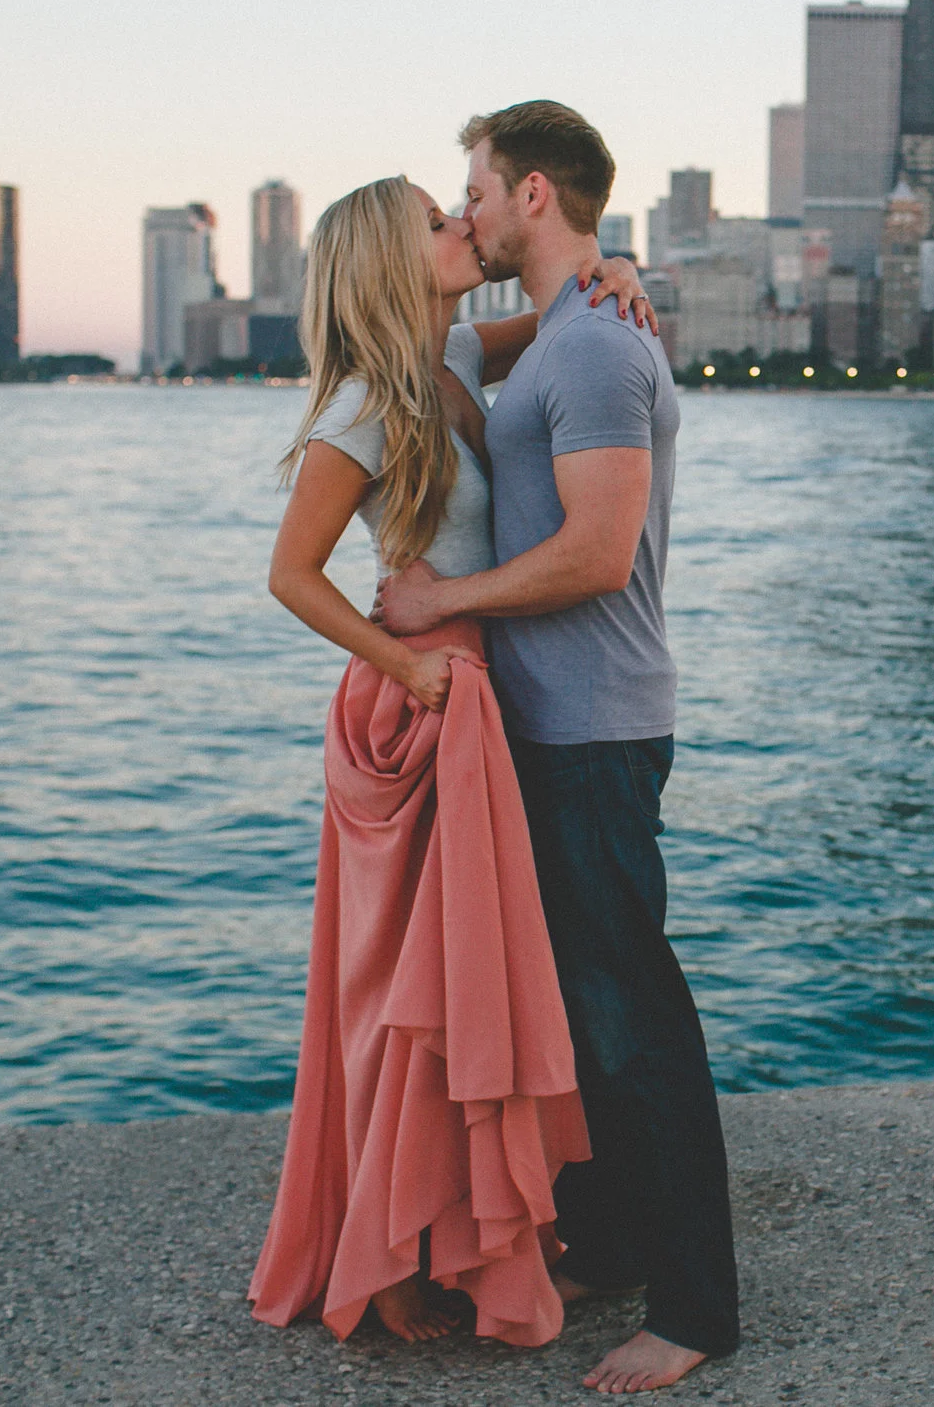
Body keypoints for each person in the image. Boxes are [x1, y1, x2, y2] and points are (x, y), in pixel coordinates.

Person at [245, 174, 657, 1349]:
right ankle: (383, 1255)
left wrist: (619, 271)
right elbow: (292, 572)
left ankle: (446, 1230)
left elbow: (573, 302)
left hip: (473, 694)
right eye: (435, 221)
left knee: (466, 981)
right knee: (410, 993)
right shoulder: (369, 405)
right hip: (421, 703)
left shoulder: (460, 353)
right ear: (390, 256)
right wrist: (407, 660)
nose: (459, 228)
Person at [378, 101, 737, 1394]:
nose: (463, 208)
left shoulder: (590, 353)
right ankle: (628, 1237)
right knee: (585, 1018)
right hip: (547, 724)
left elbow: (595, 551)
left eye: (474, 187)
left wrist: (440, 603)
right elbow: (441, 345)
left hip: (595, 725)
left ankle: (699, 1306)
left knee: (635, 1016)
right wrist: (615, 265)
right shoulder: (559, 334)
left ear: (531, 190)